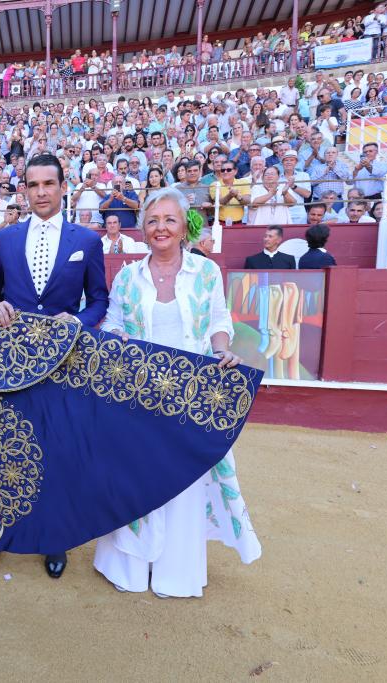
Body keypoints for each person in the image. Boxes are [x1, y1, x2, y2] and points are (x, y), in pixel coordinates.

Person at [94, 187, 260, 597]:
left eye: (169, 219)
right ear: (143, 230)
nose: (161, 227)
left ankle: (176, 574)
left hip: (192, 392)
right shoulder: (129, 276)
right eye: (152, 220)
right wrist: (119, 340)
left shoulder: (205, 272)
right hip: (139, 394)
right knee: (136, 476)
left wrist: (221, 349)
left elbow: (220, 319)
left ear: (185, 226)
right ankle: (128, 569)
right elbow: (112, 321)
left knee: (184, 481)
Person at [0, 153, 109, 580]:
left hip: (61, 361)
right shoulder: (5, 238)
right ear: (25, 190)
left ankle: (55, 538)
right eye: (32, 185)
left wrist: (79, 320)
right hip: (7, 363)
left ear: (63, 186)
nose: (40, 192)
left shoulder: (86, 241)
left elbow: (100, 299)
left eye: (47, 184)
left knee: (56, 450)